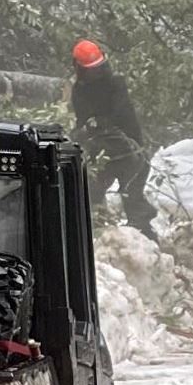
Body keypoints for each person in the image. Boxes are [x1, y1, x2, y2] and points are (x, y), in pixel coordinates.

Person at [70, 40, 156, 237]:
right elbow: (82, 120)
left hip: (129, 150)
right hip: (101, 154)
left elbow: (120, 113)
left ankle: (146, 240)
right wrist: (82, 133)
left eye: (97, 69)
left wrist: (97, 123)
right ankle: (95, 236)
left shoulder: (116, 83)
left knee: (133, 198)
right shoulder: (79, 90)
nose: (95, 73)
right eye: (91, 70)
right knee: (91, 195)